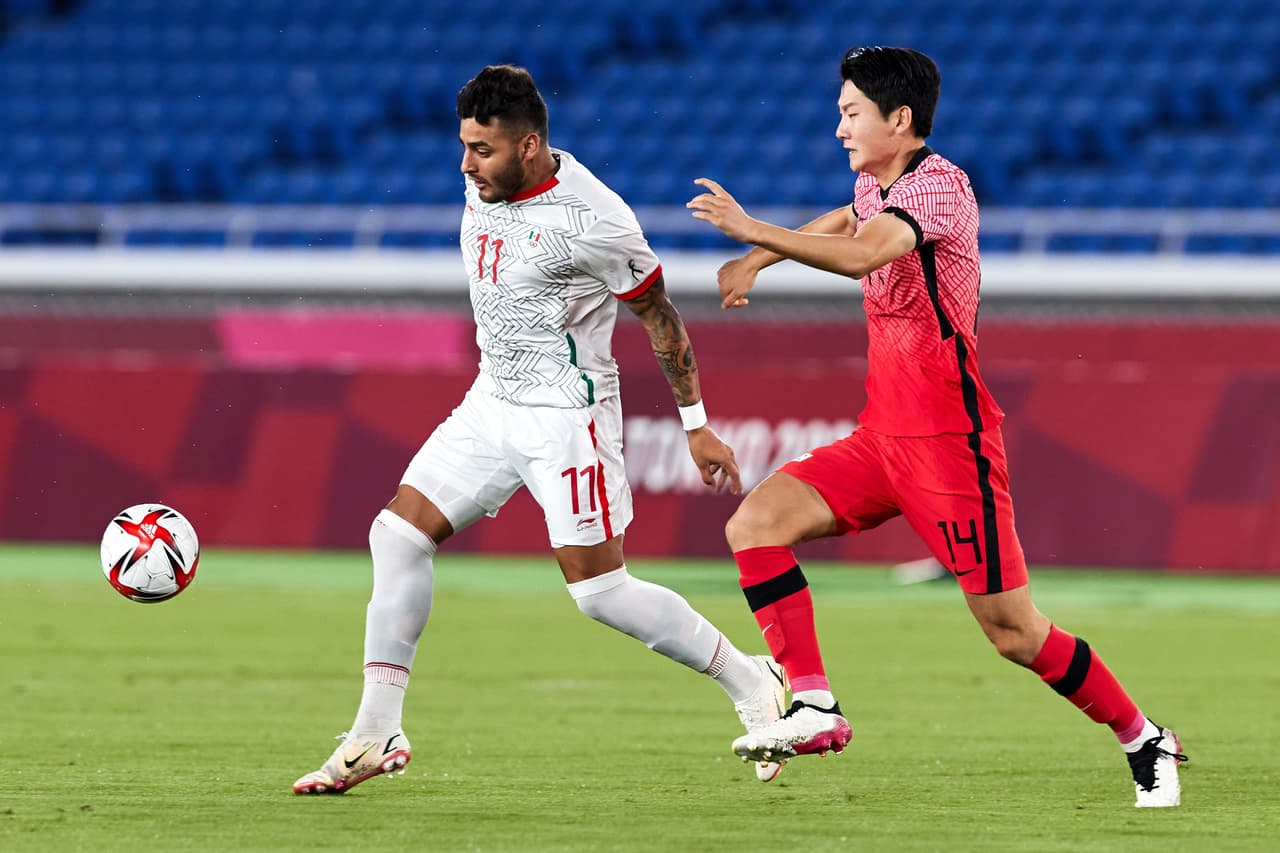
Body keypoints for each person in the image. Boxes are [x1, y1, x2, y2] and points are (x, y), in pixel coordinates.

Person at [687, 46, 1186, 808]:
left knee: (1015, 633)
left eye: (852, 112)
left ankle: (1141, 736)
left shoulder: (944, 188)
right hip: (881, 437)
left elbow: (862, 254)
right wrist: (759, 259)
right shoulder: (876, 180)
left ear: (900, 119)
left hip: (951, 448)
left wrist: (752, 229)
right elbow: (852, 215)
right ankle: (817, 705)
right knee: (756, 522)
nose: (838, 127)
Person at [293, 65, 788, 794]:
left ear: (529, 147)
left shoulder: (596, 221)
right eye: (463, 147)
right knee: (396, 534)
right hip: (492, 399)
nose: (466, 165)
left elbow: (660, 317)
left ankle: (755, 680)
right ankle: (376, 732)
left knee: (599, 593)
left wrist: (696, 424)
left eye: (482, 150)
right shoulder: (485, 178)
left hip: (567, 414)